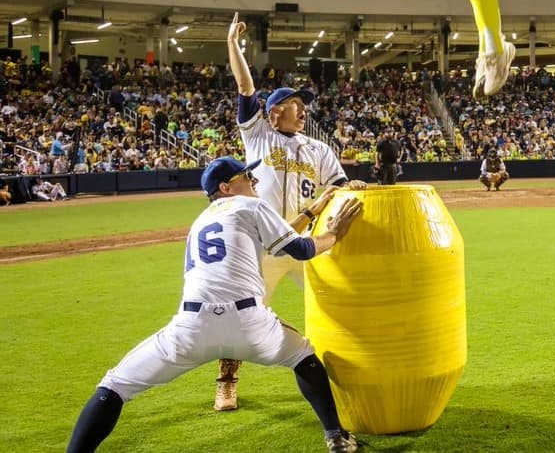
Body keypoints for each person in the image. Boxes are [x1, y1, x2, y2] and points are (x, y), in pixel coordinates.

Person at [65, 157, 363, 453]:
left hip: (191, 327)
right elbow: (300, 248)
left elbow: (273, 238)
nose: (254, 181)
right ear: (226, 186)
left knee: (115, 385)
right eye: (246, 176)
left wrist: (313, 209)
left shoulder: (201, 221)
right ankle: (336, 436)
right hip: (248, 323)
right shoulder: (251, 206)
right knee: (302, 355)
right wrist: (335, 232)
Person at [221, 14, 368, 411]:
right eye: (294, 105)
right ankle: (227, 381)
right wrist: (233, 44)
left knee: (335, 304)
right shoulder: (258, 135)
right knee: (241, 313)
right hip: (263, 246)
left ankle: (344, 373)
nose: (302, 111)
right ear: (273, 113)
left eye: (304, 105)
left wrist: (346, 187)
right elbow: (245, 86)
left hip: (304, 243)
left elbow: (336, 185)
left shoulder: (317, 148)